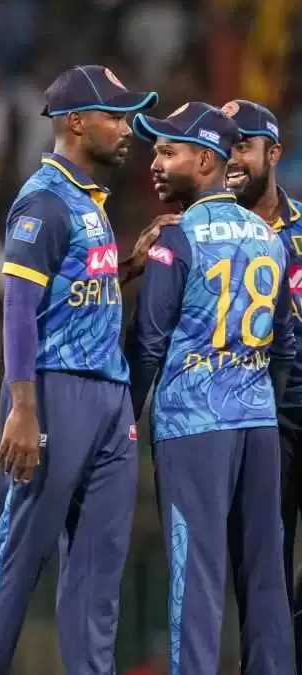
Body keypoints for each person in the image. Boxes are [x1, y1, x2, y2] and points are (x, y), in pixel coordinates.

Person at [0, 65, 157, 675]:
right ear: (76, 123)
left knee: (99, 572)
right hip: (52, 392)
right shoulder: (44, 200)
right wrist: (22, 408)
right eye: (115, 117)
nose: (127, 129)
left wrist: (124, 269)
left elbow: (70, 291)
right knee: (19, 557)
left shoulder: (87, 200)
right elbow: (19, 307)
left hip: (108, 397)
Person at [129, 100, 295, 674]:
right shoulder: (269, 237)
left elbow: (148, 343)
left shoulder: (176, 240)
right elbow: (285, 345)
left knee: (195, 574)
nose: (156, 164)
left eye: (168, 152)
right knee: (265, 575)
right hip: (259, 423)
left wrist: (126, 420)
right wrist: (261, 398)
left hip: (193, 425)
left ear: (205, 161)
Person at [221, 99, 302, 669]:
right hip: (255, 416)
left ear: (273, 153)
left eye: (243, 147)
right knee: (259, 566)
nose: (232, 158)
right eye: (224, 146)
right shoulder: (207, 232)